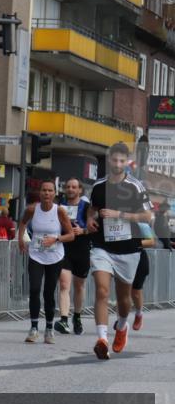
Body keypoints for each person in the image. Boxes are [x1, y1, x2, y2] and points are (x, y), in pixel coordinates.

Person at [86, 142, 154, 360]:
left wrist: (120, 214)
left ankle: (122, 326)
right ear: (109, 160)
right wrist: (89, 220)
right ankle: (102, 339)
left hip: (128, 249)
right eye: (114, 160)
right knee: (102, 291)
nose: (117, 164)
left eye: (121, 161)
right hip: (102, 247)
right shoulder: (98, 186)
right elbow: (93, 209)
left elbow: (147, 216)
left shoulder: (136, 186)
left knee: (124, 299)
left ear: (127, 162)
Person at [19, 179, 75, 344]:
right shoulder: (32, 209)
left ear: (54, 194)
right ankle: (34, 328)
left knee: (49, 293)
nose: (47, 194)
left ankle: (49, 329)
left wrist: (56, 239)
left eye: (50, 191)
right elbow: (22, 223)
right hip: (36, 255)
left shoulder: (60, 212)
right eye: (44, 190)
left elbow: (71, 235)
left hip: (54, 257)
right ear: (40, 193)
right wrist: (20, 239)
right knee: (35, 289)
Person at [56, 178, 92, 334]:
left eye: (74, 187)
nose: (70, 189)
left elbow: (96, 227)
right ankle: (63, 320)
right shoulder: (59, 206)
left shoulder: (87, 207)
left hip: (82, 249)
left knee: (79, 286)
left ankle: (77, 316)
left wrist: (83, 231)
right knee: (64, 284)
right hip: (64, 248)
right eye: (68, 186)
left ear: (80, 190)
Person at [131, 222, 155, 332]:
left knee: (135, 291)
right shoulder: (117, 221)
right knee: (122, 290)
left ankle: (139, 314)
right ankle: (121, 319)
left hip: (139, 258)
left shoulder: (141, 224)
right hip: (121, 259)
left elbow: (151, 241)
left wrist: (132, 243)